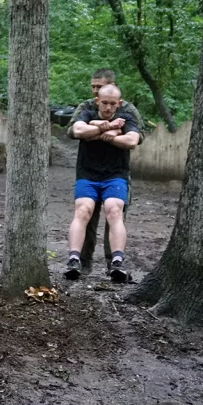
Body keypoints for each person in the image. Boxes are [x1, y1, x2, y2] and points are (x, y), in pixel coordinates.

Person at [66, 69, 145, 276]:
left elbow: (136, 138)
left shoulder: (128, 110)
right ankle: (81, 264)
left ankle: (115, 264)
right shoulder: (86, 107)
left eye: (98, 87)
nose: (95, 92)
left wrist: (105, 132)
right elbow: (73, 131)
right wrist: (108, 128)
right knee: (85, 214)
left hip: (116, 172)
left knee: (114, 213)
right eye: (93, 88)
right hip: (88, 172)